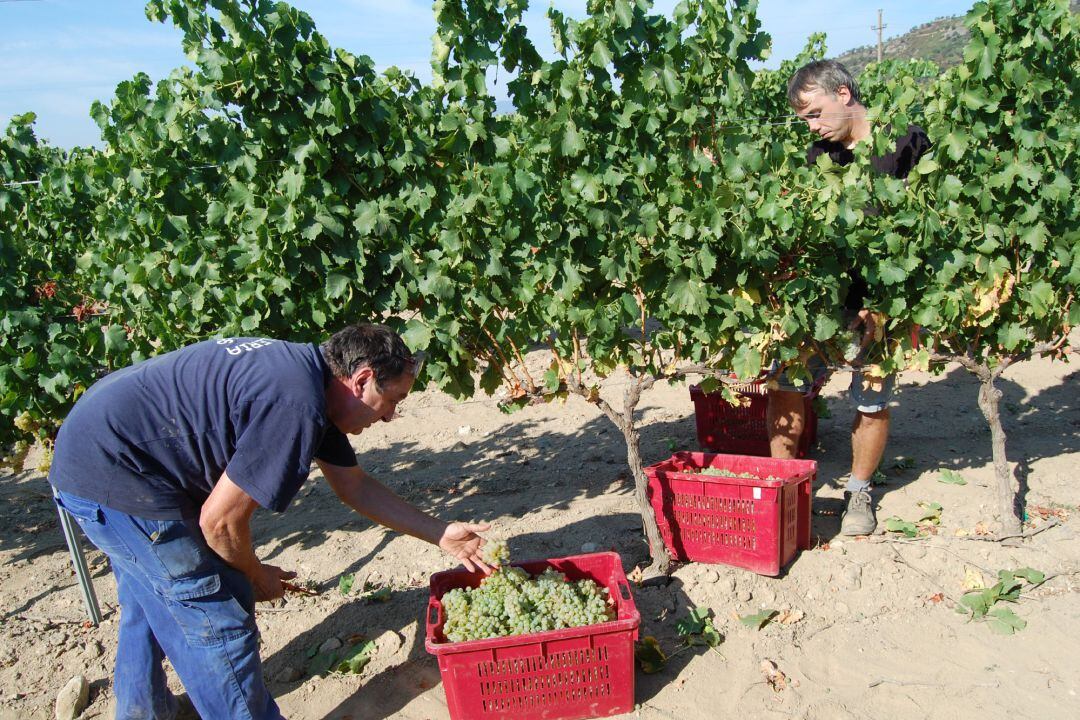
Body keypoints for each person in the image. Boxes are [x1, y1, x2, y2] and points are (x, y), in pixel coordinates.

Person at [49, 323, 493, 719]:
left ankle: (146, 710)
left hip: (104, 452)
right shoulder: (296, 406)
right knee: (214, 608)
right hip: (116, 474)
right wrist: (254, 572)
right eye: (391, 400)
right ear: (361, 380)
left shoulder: (308, 375)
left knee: (152, 593)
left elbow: (355, 487)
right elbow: (219, 524)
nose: (391, 415)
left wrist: (441, 534)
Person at [767, 60, 931, 536]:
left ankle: (858, 492)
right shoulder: (818, 155)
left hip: (883, 304)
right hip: (822, 302)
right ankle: (783, 483)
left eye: (816, 114)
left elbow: (927, 233)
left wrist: (884, 300)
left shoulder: (907, 142)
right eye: (806, 121)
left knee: (872, 399)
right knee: (786, 387)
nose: (813, 128)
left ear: (843, 94)